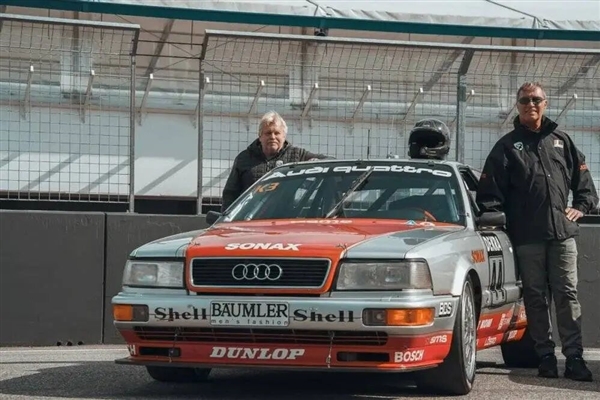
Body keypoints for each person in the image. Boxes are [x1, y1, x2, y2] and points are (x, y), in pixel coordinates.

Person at [476, 82, 597, 382]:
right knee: (535, 297)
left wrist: (580, 207)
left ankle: (574, 358)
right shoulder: (506, 147)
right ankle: (545, 356)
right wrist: (505, 225)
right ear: (517, 106)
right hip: (527, 238)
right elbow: (488, 196)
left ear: (545, 103)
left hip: (562, 236)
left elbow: (585, 187)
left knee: (567, 294)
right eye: (524, 101)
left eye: (536, 100)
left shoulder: (562, 141)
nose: (530, 104)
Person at [221, 111, 331, 212]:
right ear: (260, 136)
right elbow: (230, 194)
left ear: (284, 136)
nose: (272, 137)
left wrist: (315, 162)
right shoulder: (244, 158)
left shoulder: (296, 154)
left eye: (277, 133)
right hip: (250, 219)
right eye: (268, 133)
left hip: (284, 219)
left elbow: (330, 161)